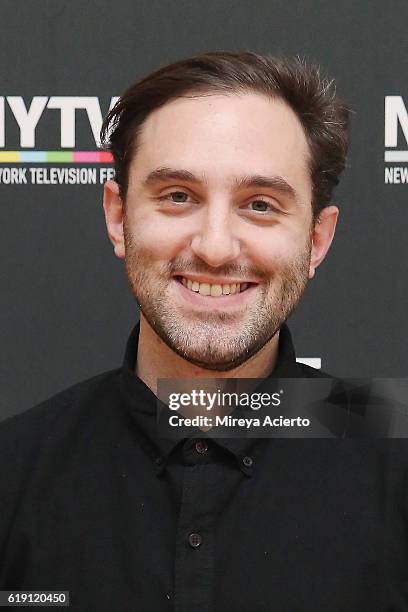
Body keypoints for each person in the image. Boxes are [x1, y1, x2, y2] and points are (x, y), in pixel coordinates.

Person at [0, 52, 406, 611]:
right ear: (118, 217)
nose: (215, 247)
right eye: (178, 197)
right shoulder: (14, 468)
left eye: (260, 205)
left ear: (317, 240)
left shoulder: (394, 455)